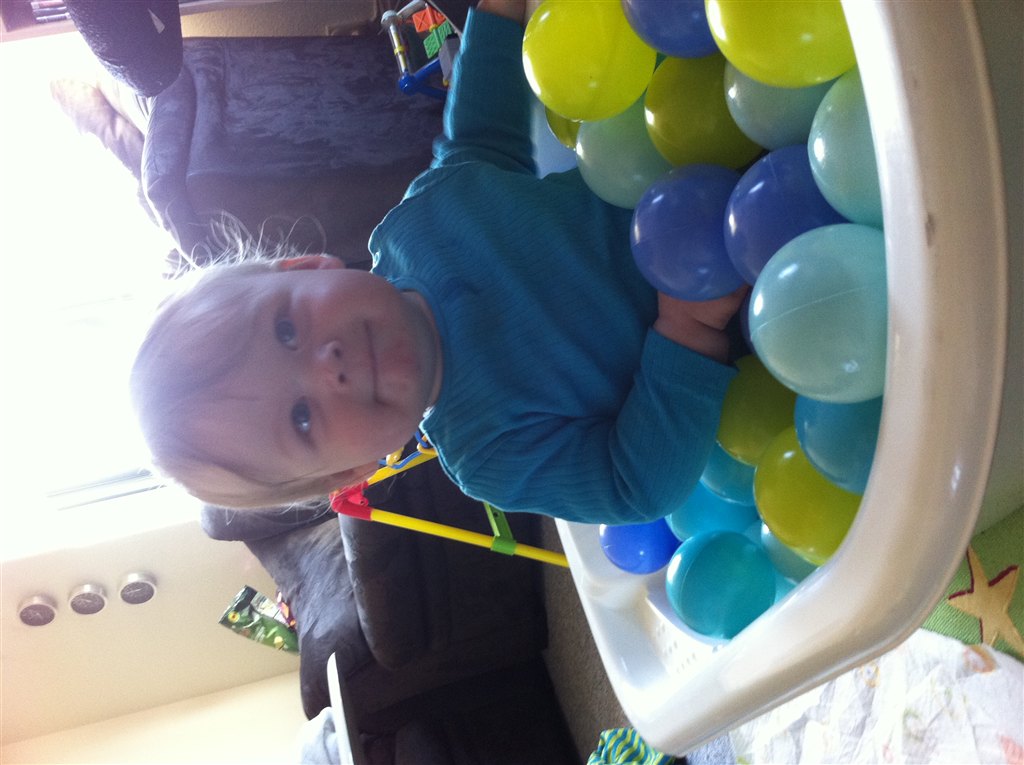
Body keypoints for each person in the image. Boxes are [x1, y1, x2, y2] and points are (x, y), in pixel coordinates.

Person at [130, 0, 747, 524]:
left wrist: (497, 17)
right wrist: (688, 331)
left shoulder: (416, 227)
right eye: (302, 418)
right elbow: (629, 486)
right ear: (352, 472)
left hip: (694, 149)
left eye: (287, 330)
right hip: (750, 324)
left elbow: (480, 137)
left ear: (307, 268)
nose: (328, 369)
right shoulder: (489, 455)